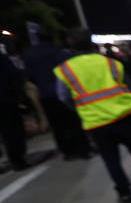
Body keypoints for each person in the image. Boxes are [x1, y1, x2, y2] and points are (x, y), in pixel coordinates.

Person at [53, 28, 131, 203]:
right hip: (123, 116)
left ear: (71, 45)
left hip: (96, 122)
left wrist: (82, 109)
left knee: (111, 160)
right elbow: (128, 86)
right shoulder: (111, 63)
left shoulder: (66, 69)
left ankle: (124, 192)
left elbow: (63, 97)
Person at [22, 30, 92, 160]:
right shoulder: (61, 53)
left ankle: (67, 152)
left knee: (57, 125)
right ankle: (83, 149)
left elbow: (30, 77)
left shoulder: (30, 55)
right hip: (66, 93)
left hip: (46, 95)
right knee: (73, 122)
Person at [0, 50, 28, 171]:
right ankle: (17, 159)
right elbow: (14, 75)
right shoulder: (2, 58)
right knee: (12, 130)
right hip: (5, 99)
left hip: (5, 98)